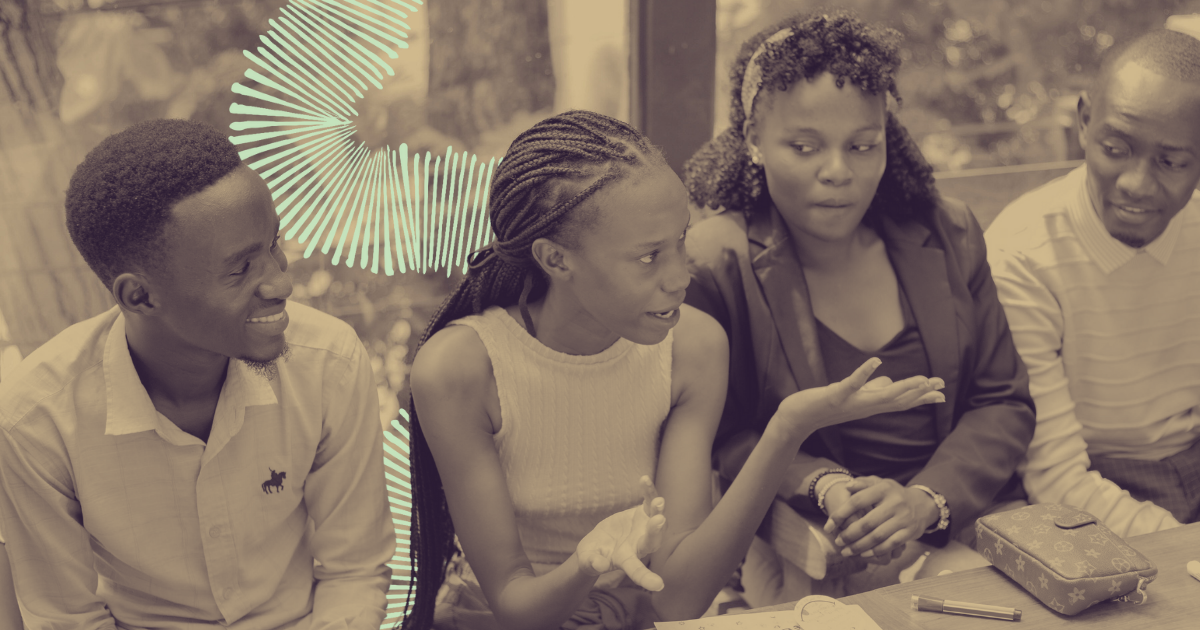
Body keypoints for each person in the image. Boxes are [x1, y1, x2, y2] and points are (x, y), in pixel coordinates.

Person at [399, 110, 946, 630]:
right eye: (647, 256)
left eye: (681, 241)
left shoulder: (694, 346)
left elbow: (679, 596)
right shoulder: (460, 371)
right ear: (555, 259)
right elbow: (516, 607)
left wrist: (788, 428)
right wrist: (587, 563)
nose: (680, 276)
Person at [681, 11, 1037, 606]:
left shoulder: (946, 231)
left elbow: (1002, 400)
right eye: (804, 146)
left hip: (965, 529)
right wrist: (826, 486)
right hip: (818, 549)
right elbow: (724, 437)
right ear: (752, 142)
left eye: (863, 145)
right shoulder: (716, 263)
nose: (839, 172)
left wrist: (924, 501)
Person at [0, 119, 395, 629]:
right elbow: (66, 619)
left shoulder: (328, 363)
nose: (280, 283)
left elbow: (355, 569)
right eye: (239, 269)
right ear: (138, 296)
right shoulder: (36, 421)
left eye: (274, 246)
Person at [985, 28, 1200, 538]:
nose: (1136, 184)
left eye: (1172, 162)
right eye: (1115, 148)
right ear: (1085, 121)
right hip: (1096, 488)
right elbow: (1056, 477)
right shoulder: (1021, 254)